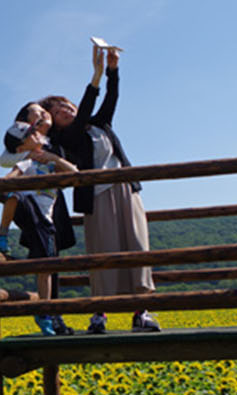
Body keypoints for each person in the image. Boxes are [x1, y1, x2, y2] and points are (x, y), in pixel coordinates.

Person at [41, 45, 156, 333]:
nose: (67, 110)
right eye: (58, 110)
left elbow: (111, 97)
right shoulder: (67, 138)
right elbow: (80, 120)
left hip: (126, 188)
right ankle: (99, 314)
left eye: (67, 105)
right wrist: (95, 75)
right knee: (103, 251)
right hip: (97, 195)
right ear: (53, 121)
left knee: (137, 246)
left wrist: (112, 69)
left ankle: (141, 313)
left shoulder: (100, 125)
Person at [0, 102, 79, 335]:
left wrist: (50, 157)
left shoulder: (52, 145)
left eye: (45, 111)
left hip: (50, 214)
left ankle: (48, 313)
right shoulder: (24, 153)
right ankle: (2, 235)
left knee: (48, 265)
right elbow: (8, 169)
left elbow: (73, 173)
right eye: (37, 112)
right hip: (31, 207)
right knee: (16, 195)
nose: (43, 114)